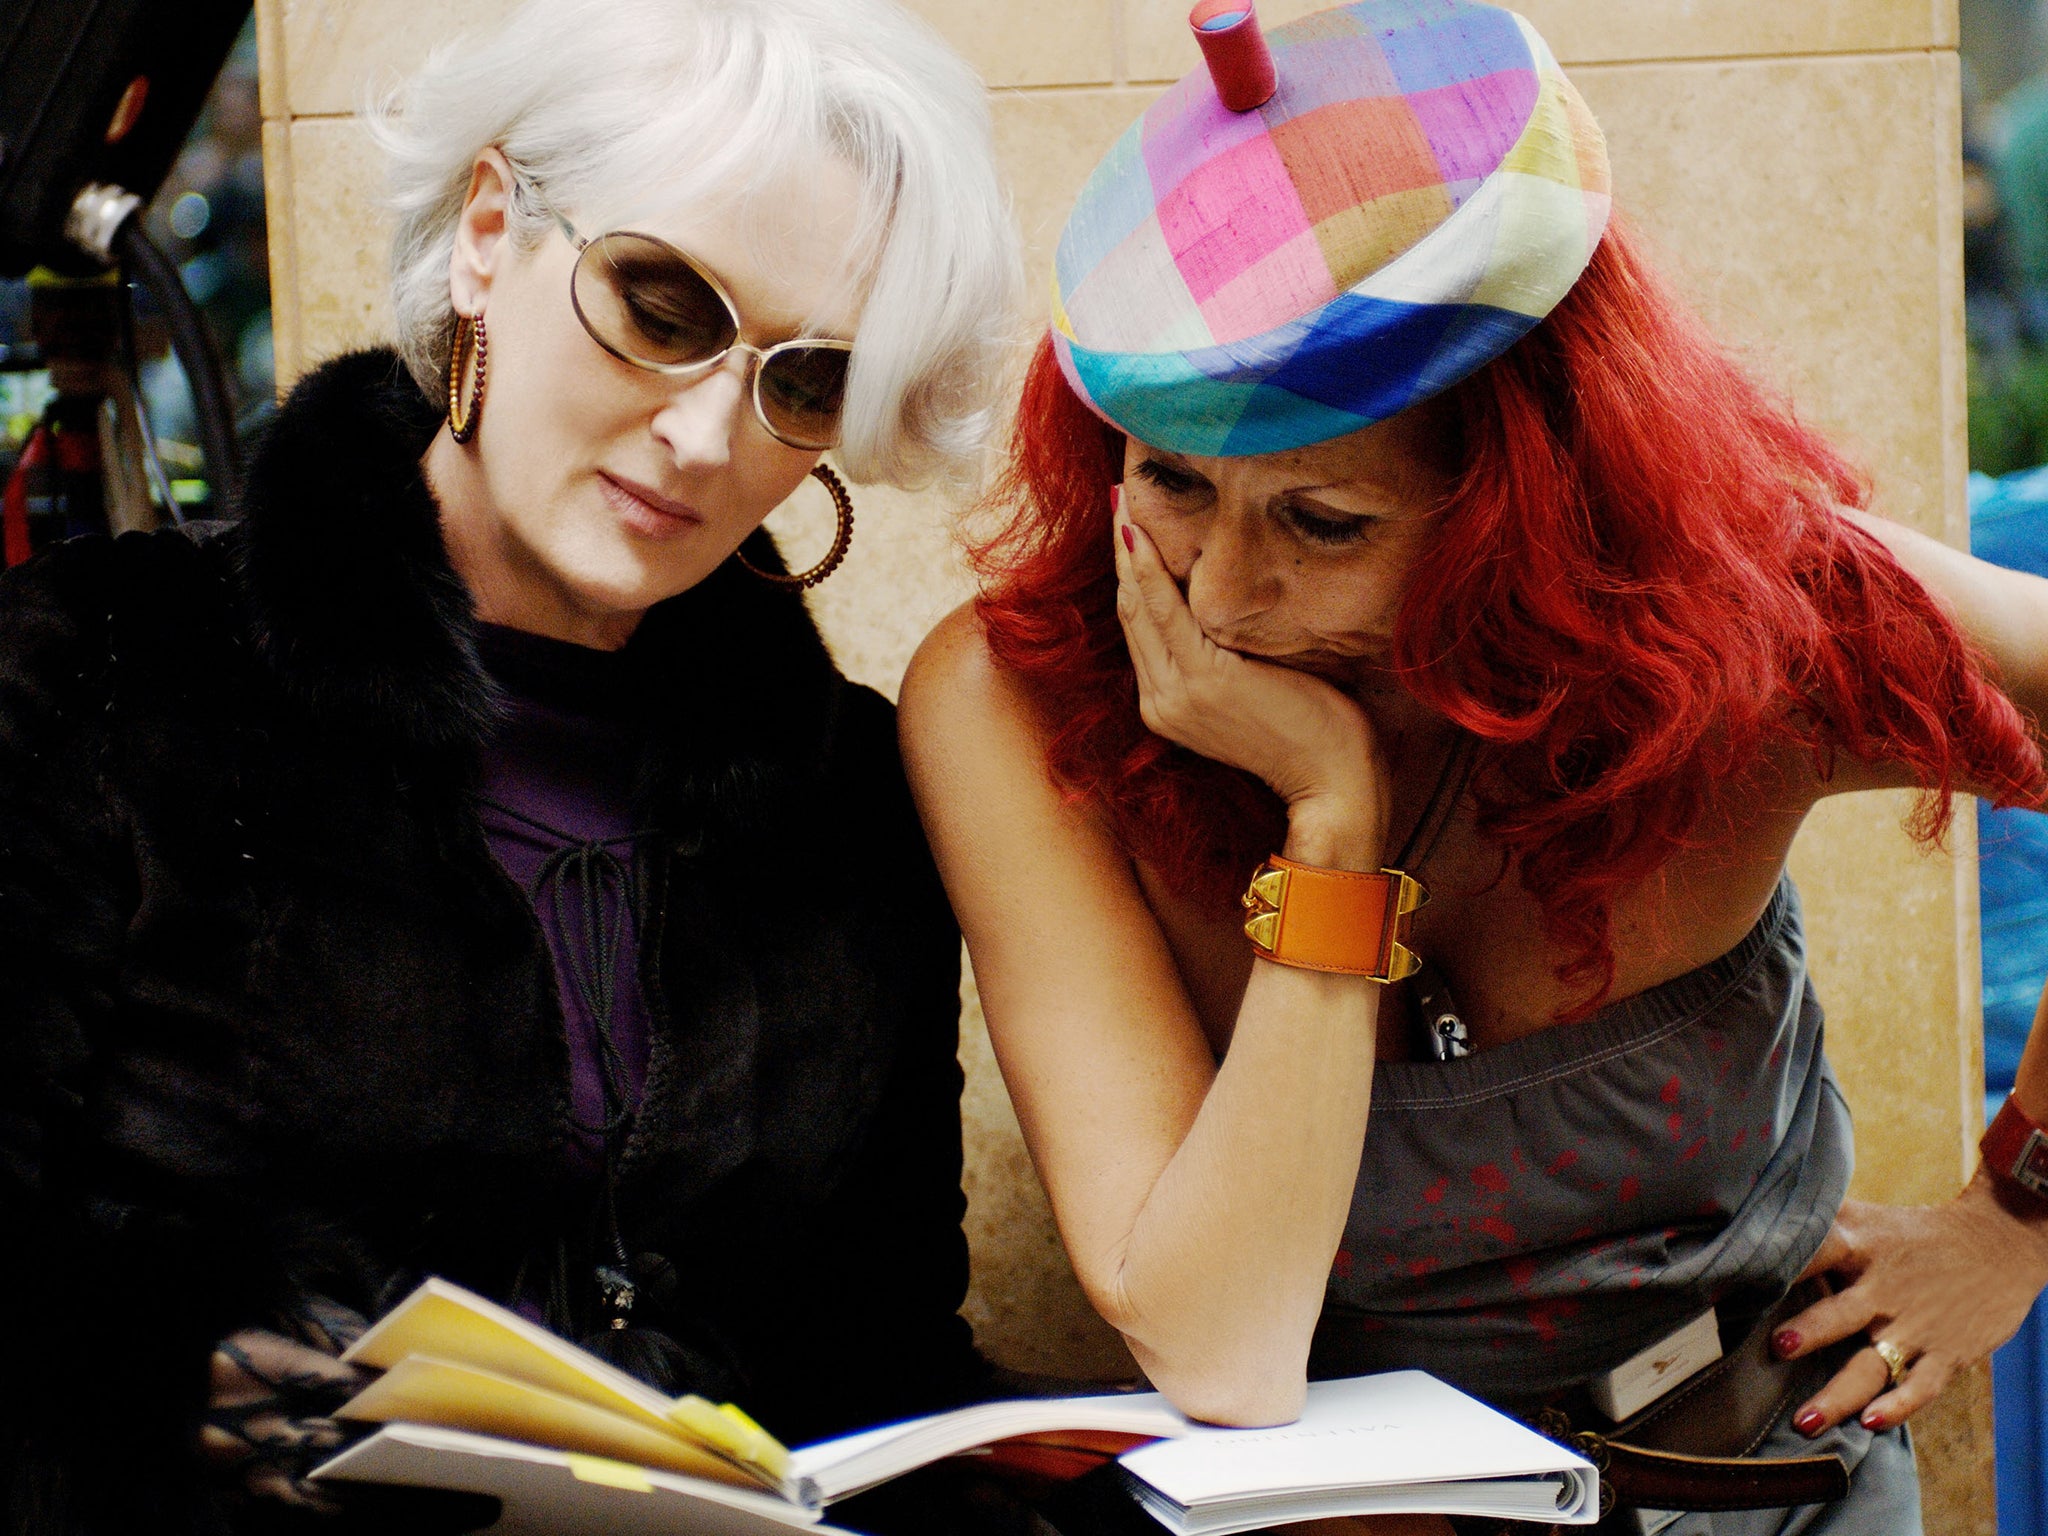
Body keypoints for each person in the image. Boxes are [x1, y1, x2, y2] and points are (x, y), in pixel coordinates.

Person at [899, 2, 2048, 1531]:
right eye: (1172, 482)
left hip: (1774, 1480)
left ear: (1533, 506)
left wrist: (2016, 1215)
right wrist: (1332, 828)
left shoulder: (1746, 619)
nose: (1221, 601)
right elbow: (1224, 1346)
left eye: (1323, 523)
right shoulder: (1015, 700)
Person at [0, 0, 1022, 1531]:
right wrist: (146, 1382)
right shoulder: (92, 678)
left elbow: (881, 1353)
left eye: (804, 380)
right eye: (661, 304)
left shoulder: (852, 799)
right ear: (489, 233)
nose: (703, 434)